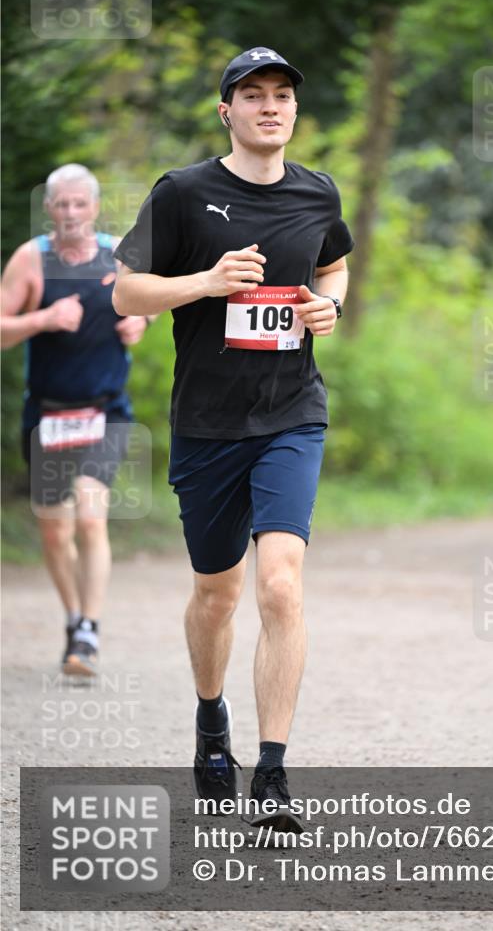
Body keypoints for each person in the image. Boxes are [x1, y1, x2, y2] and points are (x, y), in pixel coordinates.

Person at [112, 47, 352, 830]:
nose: (270, 106)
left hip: (291, 414)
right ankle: (210, 719)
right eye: (253, 95)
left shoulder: (317, 191)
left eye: (282, 94)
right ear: (227, 111)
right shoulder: (184, 193)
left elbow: (337, 264)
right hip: (208, 425)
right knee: (217, 595)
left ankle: (273, 774)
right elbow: (126, 287)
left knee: (280, 582)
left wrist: (327, 305)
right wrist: (205, 283)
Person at [0, 163, 151, 677]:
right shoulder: (31, 261)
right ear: (49, 209)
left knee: (90, 516)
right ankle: (72, 616)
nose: (69, 213)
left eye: (79, 204)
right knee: (53, 534)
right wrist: (42, 318)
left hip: (105, 413)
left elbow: (147, 302)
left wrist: (140, 320)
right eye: (60, 204)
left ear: (94, 207)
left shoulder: (118, 255)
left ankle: (89, 627)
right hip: (47, 415)